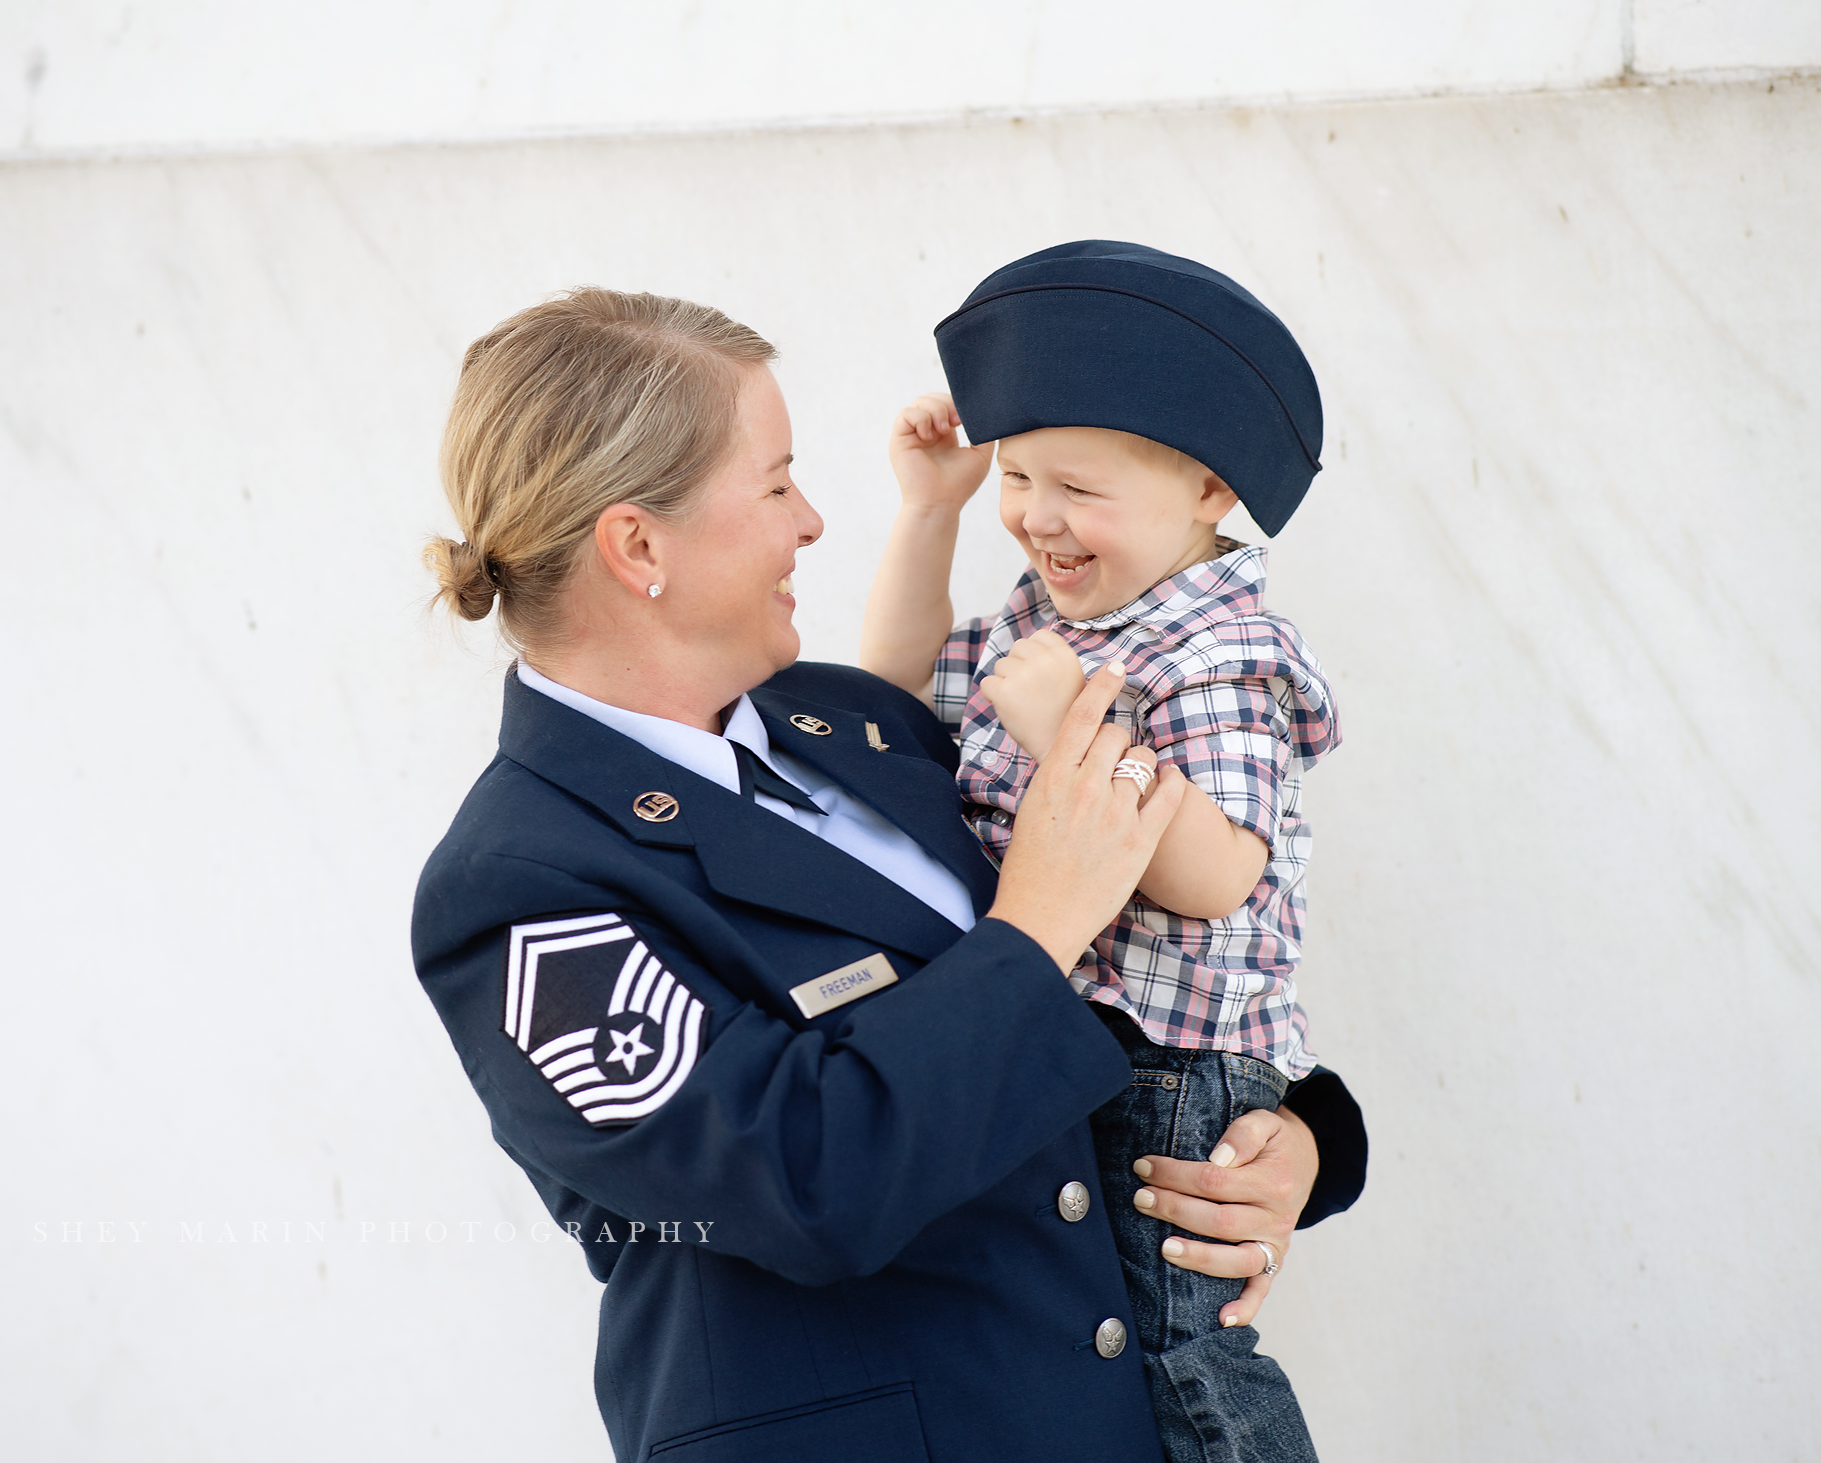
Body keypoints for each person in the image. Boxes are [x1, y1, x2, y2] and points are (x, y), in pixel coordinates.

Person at [412, 287, 1366, 1463]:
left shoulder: (851, 721)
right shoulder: (521, 883)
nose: (810, 522)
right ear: (637, 544)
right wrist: (1037, 920)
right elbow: (804, 1178)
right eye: (772, 484)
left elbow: (1130, 983)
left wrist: (1298, 1144)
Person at [860, 241, 1345, 1461]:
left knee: (1177, 1342)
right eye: (1017, 475)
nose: (1032, 515)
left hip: (1171, 1067)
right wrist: (932, 513)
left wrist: (1067, 723)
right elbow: (889, 689)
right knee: (1087, 1348)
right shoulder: (1043, 618)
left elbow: (1217, 870)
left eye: (1074, 485)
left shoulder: (1220, 650)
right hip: (1071, 1039)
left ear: (1202, 486)